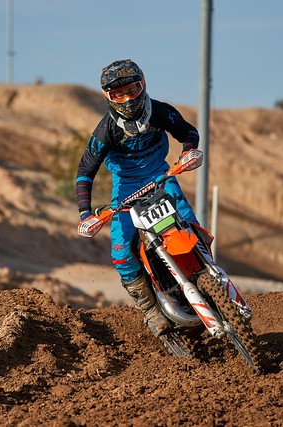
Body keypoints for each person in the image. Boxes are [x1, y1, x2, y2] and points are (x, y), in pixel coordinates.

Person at [75, 59, 200, 337]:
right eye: (119, 94)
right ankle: (151, 311)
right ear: (108, 97)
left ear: (142, 85)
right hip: (125, 192)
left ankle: (208, 275)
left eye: (131, 90)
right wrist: (86, 214)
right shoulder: (105, 130)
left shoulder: (160, 111)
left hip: (161, 178)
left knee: (190, 226)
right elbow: (85, 172)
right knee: (121, 254)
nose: (128, 99)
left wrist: (189, 152)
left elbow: (188, 132)